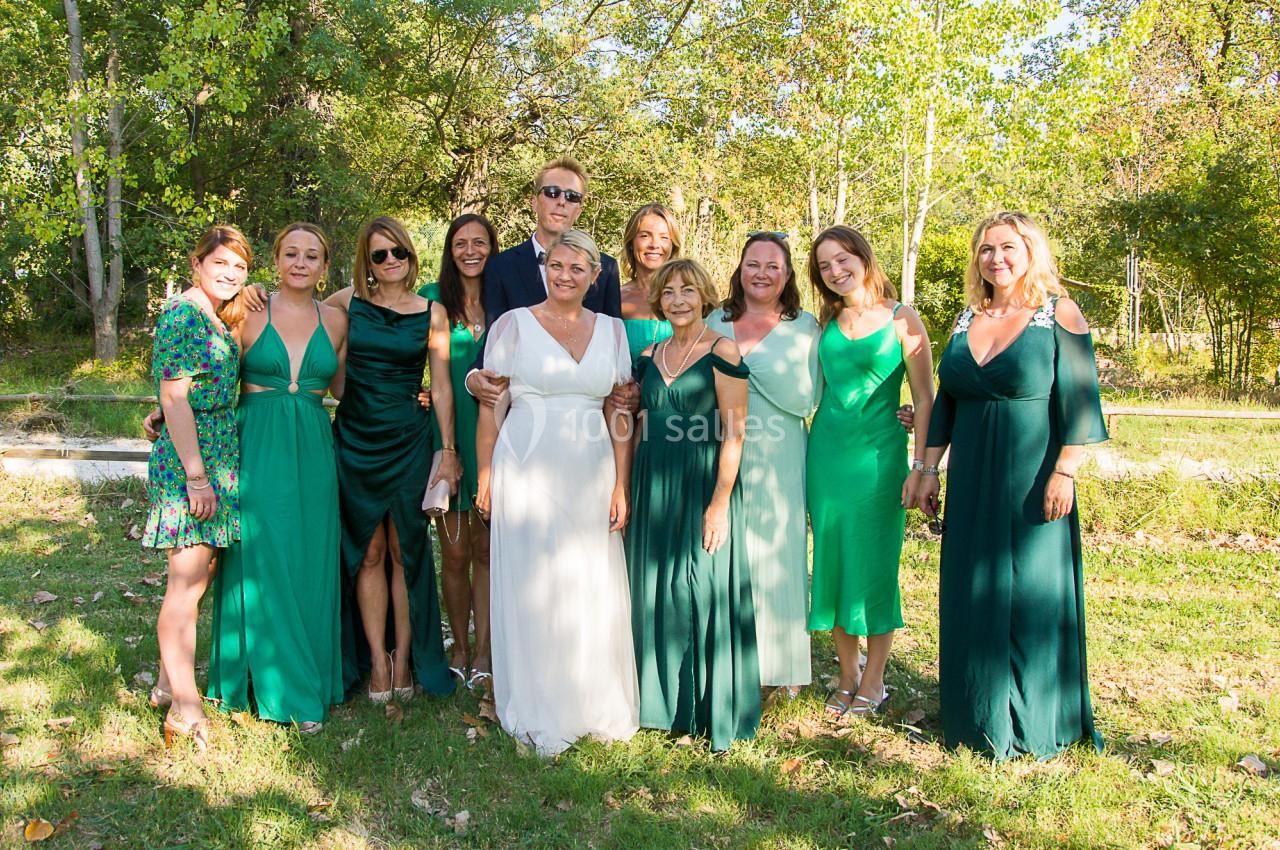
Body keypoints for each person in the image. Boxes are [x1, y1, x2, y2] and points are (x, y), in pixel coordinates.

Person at [922, 210, 1109, 760]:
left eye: (1007, 247)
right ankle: (975, 719)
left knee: (1031, 594)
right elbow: (947, 403)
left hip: (1034, 477)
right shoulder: (964, 318)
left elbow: (1081, 398)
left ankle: (1034, 724)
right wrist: (929, 469)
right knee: (970, 590)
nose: (995, 258)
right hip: (973, 475)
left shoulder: (1059, 314)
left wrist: (1065, 470)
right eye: (986, 249)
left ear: (1030, 253)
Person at [474, 229, 638, 756]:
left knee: (588, 578)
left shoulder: (613, 331)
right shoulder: (514, 326)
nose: (565, 275)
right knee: (533, 580)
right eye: (557, 265)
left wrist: (620, 482)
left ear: (595, 276)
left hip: (590, 467)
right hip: (525, 464)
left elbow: (619, 412)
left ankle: (592, 698)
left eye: (578, 268)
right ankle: (537, 701)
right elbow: (491, 406)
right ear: (545, 269)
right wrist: (483, 474)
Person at [205, 223, 347, 733]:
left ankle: (307, 670)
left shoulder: (336, 319)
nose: (301, 263)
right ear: (276, 259)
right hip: (257, 444)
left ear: (325, 267)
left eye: (312, 255)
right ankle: (273, 685)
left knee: (309, 558)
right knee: (263, 555)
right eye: (291, 253)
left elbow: (347, 388)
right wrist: (165, 410)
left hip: (312, 445)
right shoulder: (247, 308)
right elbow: (209, 377)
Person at [627, 258, 760, 750]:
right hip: (654, 480)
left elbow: (736, 431)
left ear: (703, 295)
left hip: (705, 479)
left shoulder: (722, 349)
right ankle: (659, 705)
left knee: (701, 586)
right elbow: (633, 418)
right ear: (658, 300)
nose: (678, 300)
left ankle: (708, 708)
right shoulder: (650, 353)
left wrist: (719, 502)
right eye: (668, 292)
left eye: (687, 290)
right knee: (656, 588)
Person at [328, 216, 462, 703]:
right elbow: (294, 325)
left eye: (397, 253)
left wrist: (447, 453)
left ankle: (406, 659)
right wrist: (257, 297)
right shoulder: (345, 303)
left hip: (408, 440)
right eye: (379, 254)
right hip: (355, 441)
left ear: (410, 256)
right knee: (367, 552)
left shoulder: (432, 313)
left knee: (407, 552)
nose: (389, 262)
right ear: (367, 260)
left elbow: (443, 387)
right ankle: (377, 661)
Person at [804, 226, 935, 718]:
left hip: (880, 458)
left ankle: (875, 680)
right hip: (827, 455)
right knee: (834, 563)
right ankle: (847, 673)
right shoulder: (825, 321)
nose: (836, 271)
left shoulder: (902, 318)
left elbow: (924, 399)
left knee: (876, 567)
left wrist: (921, 465)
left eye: (843, 260)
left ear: (863, 256)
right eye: (824, 266)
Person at [144, 225, 251, 750]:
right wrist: (196, 477)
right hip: (196, 464)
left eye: (239, 266)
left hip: (218, 451)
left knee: (201, 576)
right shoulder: (182, 314)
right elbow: (176, 395)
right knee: (185, 585)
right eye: (220, 264)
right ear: (198, 265)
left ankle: (168, 685)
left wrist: (163, 410)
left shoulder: (216, 312)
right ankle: (186, 709)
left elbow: (180, 388)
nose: (230, 274)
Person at [705, 233, 819, 697]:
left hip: (780, 448)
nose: (762, 273)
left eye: (773, 266)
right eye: (753, 263)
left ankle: (778, 666)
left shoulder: (805, 326)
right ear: (740, 269)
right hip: (716, 444)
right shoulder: (715, 320)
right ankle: (728, 656)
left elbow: (817, 393)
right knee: (727, 550)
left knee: (778, 553)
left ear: (787, 274)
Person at [467, 156, 624, 409]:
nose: (561, 201)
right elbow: (494, 341)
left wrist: (631, 388)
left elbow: (615, 348)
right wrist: (473, 378)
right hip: (522, 416)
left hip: (587, 419)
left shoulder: (605, 269)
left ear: (579, 209)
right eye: (552, 192)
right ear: (534, 201)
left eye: (572, 197)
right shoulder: (501, 267)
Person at [417, 213, 498, 689]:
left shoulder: (506, 299)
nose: (471, 251)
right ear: (449, 250)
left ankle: (485, 650)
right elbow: (356, 301)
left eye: (480, 242)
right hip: (447, 429)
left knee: (486, 549)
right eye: (461, 243)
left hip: (495, 433)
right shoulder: (432, 298)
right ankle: (460, 647)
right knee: (453, 551)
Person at [619, 203, 681, 362]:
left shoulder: (689, 297)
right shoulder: (616, 298)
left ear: (673, 246)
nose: (654, 245)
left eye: (664, 237)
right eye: (645, 235)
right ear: (631, 243)